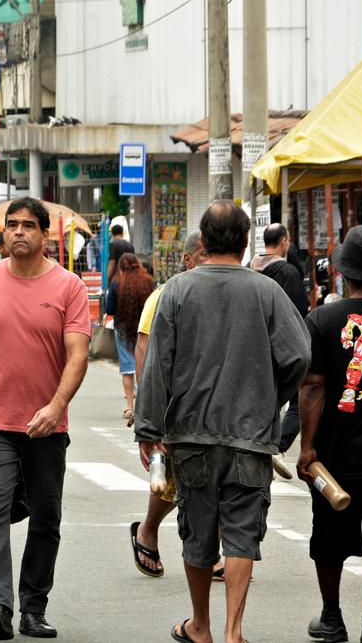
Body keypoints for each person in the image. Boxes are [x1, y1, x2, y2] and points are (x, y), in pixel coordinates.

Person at [135, 201, 311, 643]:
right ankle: (234, 631)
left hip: (190, 433)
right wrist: (270, 399)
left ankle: (201, 626)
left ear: (204, 239)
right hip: (250, 436)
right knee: (242, 532)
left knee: (198, 531)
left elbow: (157, 365)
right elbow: (299, 356)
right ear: (246, 241)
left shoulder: (177, 291)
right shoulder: (267, 291)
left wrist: (148, 429)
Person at [0, 197, 91, 640]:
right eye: (12, 225)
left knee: (46, 517)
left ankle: (33, 609)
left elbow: (78, 355)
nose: (18, 232)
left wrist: (55, 406)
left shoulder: (68, 287)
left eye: (28, 226)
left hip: (47, 424)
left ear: (44, 235)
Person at [296, 225, 362, 643]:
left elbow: (313, 386)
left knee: (330, 536)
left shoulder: (322, 319)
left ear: (343, 273)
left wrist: (307, 446)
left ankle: (332, 618)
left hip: (334, 453)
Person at [128, 232, 206, 579]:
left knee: (216, 480)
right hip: (174, 406)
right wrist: (148, 410)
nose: (207, 261)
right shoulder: (164, 295)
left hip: (212, 404)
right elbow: (144, 349)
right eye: (201, 255)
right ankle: (147, 529)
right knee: (171, 482)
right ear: (187, 259)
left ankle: (211, 551)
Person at [250, 223, 311, 479]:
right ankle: (277, 447)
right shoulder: (287, 271)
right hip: (283, 345)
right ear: (284, 240)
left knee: (261, 398)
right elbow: (299, 313)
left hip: (254, 346)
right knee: (298, 401)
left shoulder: (249, 270)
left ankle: (262, 447)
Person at [104, 253, 156, 422]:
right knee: (146, 365)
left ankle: (129, 407)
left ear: (121, 267)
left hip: (123, 328)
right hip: (145, 327)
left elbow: (110, 309)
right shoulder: (148, 281)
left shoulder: (116, 283)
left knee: (127, 368)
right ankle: (146, 406)